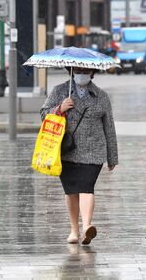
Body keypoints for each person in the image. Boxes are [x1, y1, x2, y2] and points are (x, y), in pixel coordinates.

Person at [40, 67, 118, 245]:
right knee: (71, 191)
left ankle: (87, 227)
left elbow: (109, 128)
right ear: (72, 72)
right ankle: (74, 230)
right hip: (67, 150)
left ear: (92, 73)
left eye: (86, 71)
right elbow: (43, 114)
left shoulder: (101, 96)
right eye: (78, 70)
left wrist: (112, 156)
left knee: (86, 187)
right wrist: (60, 108)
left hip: (93, 151)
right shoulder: (60, 91)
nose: (82, 74)